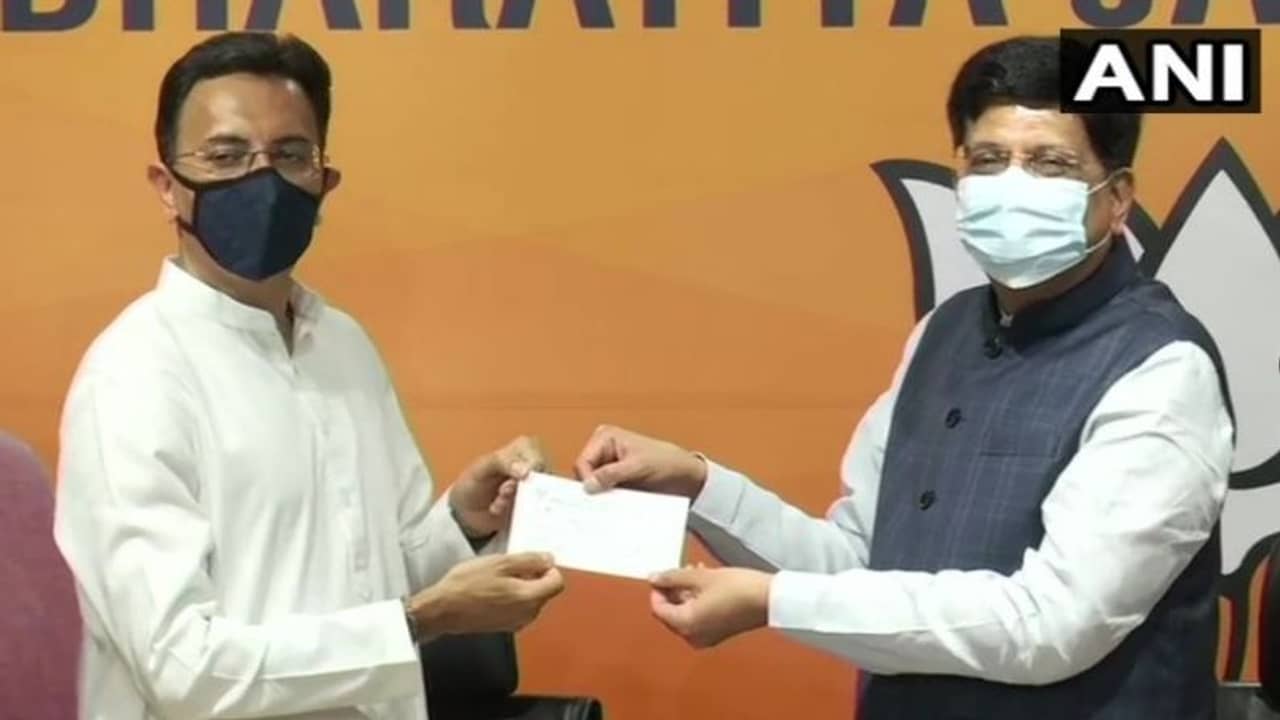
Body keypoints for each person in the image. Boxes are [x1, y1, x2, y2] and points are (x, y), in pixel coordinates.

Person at [574, 36, 1235, 719]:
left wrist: (774, 602)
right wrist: (697, 485)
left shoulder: (1161, 368)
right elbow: (855, 565)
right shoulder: (941, 335)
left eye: (1050, 163)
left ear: (1117, 198)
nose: (1014, 185)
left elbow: (1053, 624)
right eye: (988, 159)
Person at [53, 32, 564, 720]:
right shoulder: (133, 376)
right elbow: (181, 666)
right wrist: (419, 620)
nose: (261, 181)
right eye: (225, 155)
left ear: (324, 183)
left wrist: (465, 521)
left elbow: (381, 572)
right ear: (167, 187)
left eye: (290, 155)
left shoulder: (342, 344)